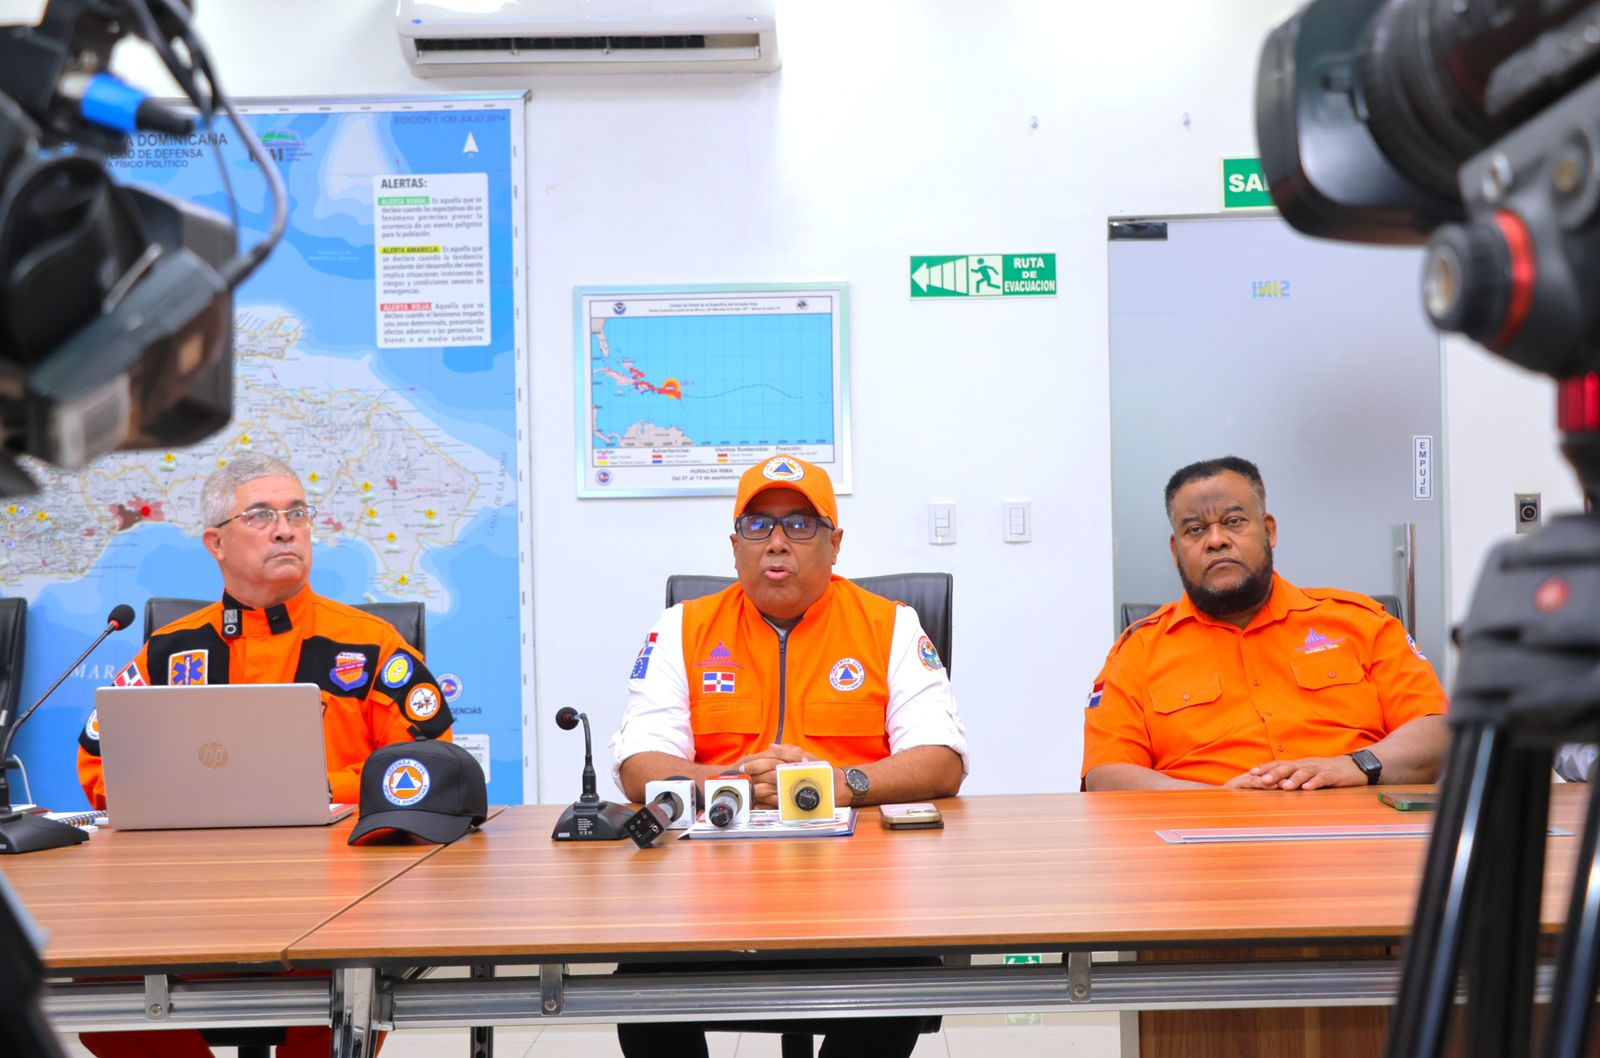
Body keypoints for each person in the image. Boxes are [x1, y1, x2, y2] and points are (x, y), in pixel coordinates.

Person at [76, 451, 452, 1058]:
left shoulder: (370, 646)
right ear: (215, 543)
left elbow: (429, 766)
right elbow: (101, 768)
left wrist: (315, 789)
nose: (285, 529)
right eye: (260, 516)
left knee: (351, 981)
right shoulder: (168, 652)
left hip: (336, 900)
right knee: (99, 986)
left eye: (296, 513)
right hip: (189, 895)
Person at [609, 453, 967, 1058]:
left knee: (895, 989)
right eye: (758, 526)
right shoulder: (681, 627)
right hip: (709, 897)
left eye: (800, 524)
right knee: (640, 997)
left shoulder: (892, 626)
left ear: (835, 544)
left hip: (859, 895)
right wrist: (737, 781)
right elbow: (637, 765)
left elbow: (942, 760)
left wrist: (840, 783)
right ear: (735, 547)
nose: (777, 542)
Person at [1083, 455, 1447, 791]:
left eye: (1233, 522)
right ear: (1176, 552)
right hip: (1204, 834)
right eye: (1195, 529)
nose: (1216, 540)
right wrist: (1216, 803)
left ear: (1269, 531)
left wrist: (1352, 766)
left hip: (1354, 827)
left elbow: (1438, 733)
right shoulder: (1137, 651)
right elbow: (1106, 775)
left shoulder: (1362, 622)